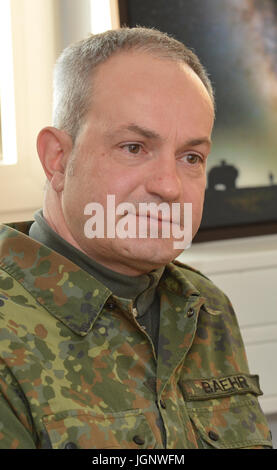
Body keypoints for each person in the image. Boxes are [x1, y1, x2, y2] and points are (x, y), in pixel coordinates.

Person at [0, 27, 272, 449]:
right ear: (58, 159)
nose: (168, 186)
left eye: (191, 157)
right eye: (134, 147)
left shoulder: (205, 308)